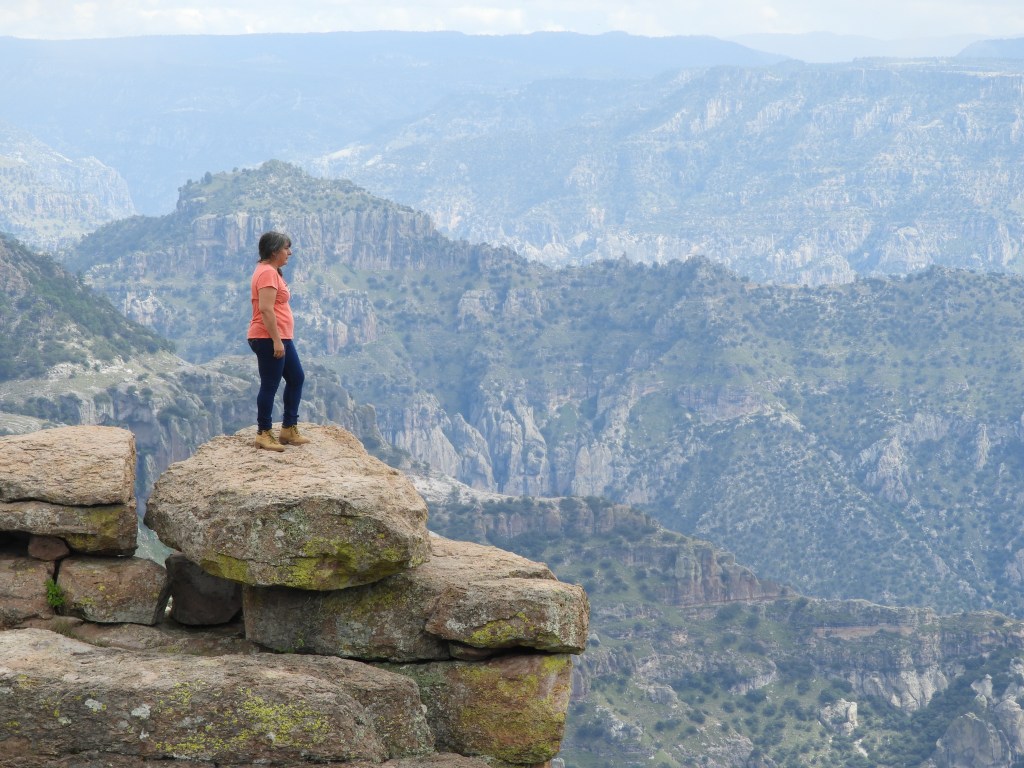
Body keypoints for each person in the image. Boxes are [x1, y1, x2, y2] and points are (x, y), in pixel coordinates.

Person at [247, 231, 310, 451]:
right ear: (274, 251)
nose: (289, 252)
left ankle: (288, 428)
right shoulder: (267, 273)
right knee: (270, 384)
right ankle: (263, 433)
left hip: (281, 337)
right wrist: (276, 341)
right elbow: (265, 309)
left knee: (296, 378)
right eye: (286, 248)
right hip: (268, 338)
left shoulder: (271, 271)